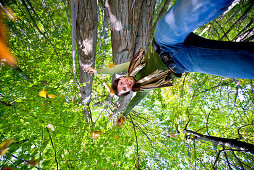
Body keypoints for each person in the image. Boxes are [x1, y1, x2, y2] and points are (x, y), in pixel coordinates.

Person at [86, 0, 254, 116]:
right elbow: (133, 103)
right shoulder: (143, 88)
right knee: (238, 64)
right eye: (124, 89)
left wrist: (98, 70)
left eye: (122, 82)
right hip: (182, 62)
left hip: (164, 42)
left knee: (192, 10)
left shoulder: (132, 66)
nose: (125, 85)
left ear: (123, 78)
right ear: (129, 91)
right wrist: (124, 114)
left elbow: (114, 68)